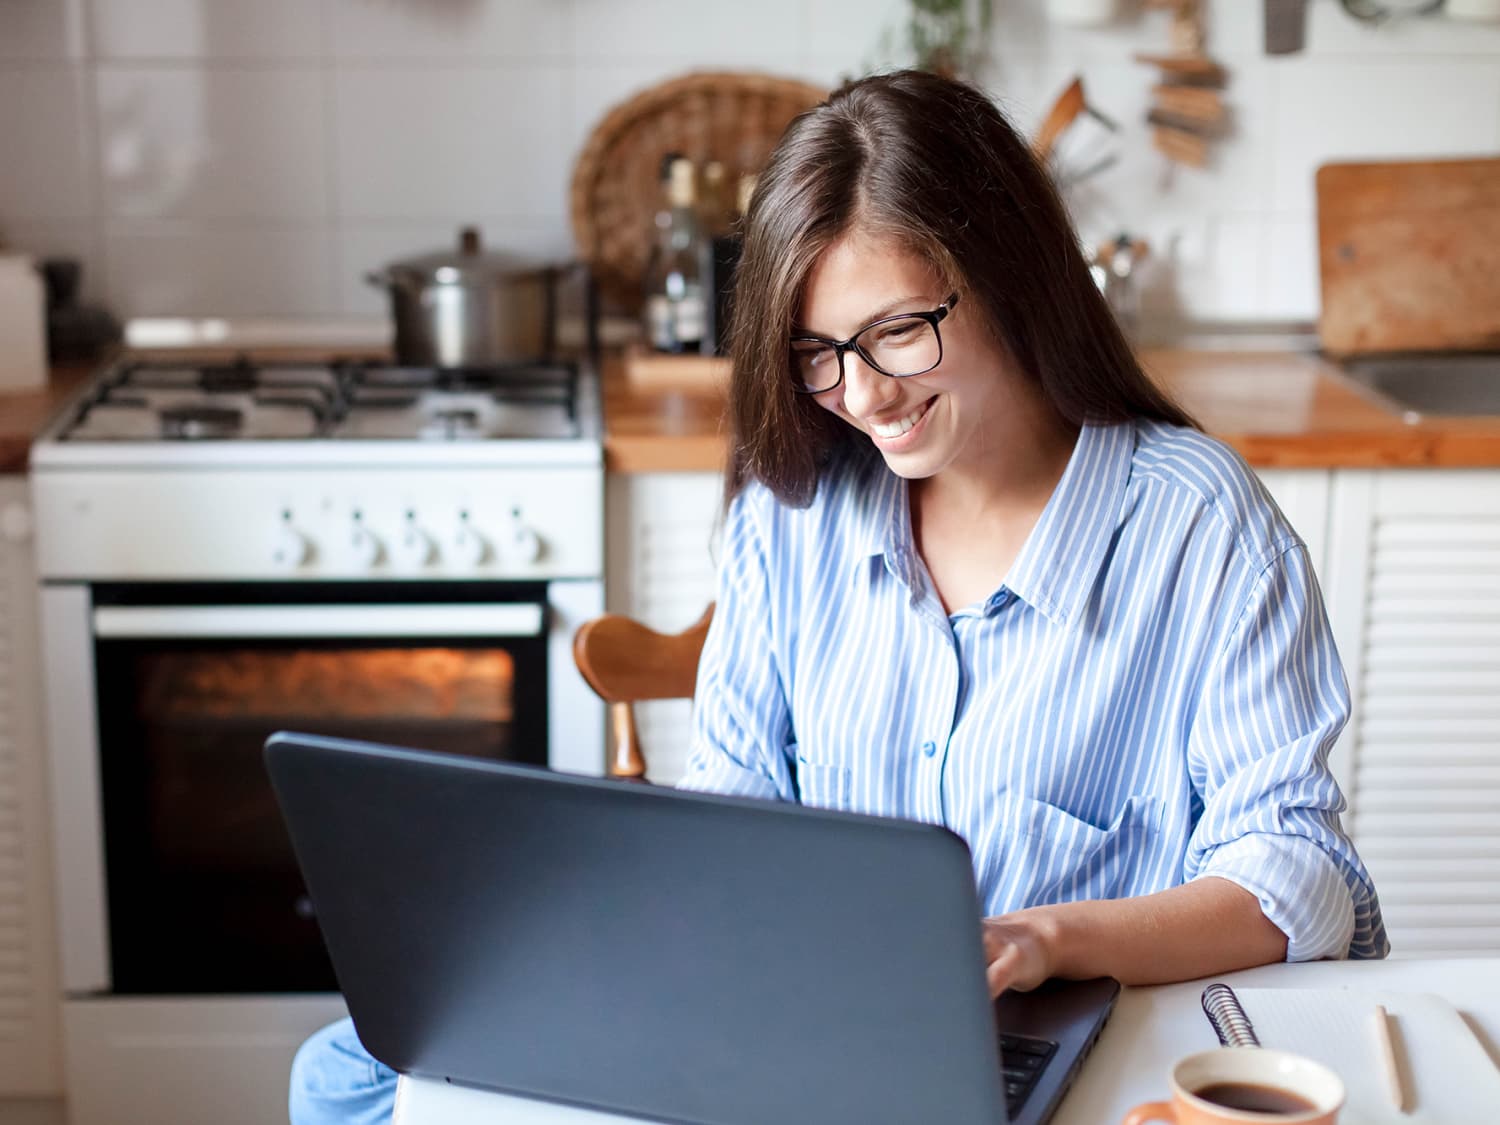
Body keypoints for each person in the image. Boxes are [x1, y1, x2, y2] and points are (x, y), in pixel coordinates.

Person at [288, 68, 1386, 1124]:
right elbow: (735, 801)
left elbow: (1297, 877)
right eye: (817, 352)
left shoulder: (1196, 527)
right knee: (344, 1072)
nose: (861, 396)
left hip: (1069, 1040)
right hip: (800, 1020)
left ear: (1014, 275)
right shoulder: (799, 508)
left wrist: (1049, 939)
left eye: (900, 331)